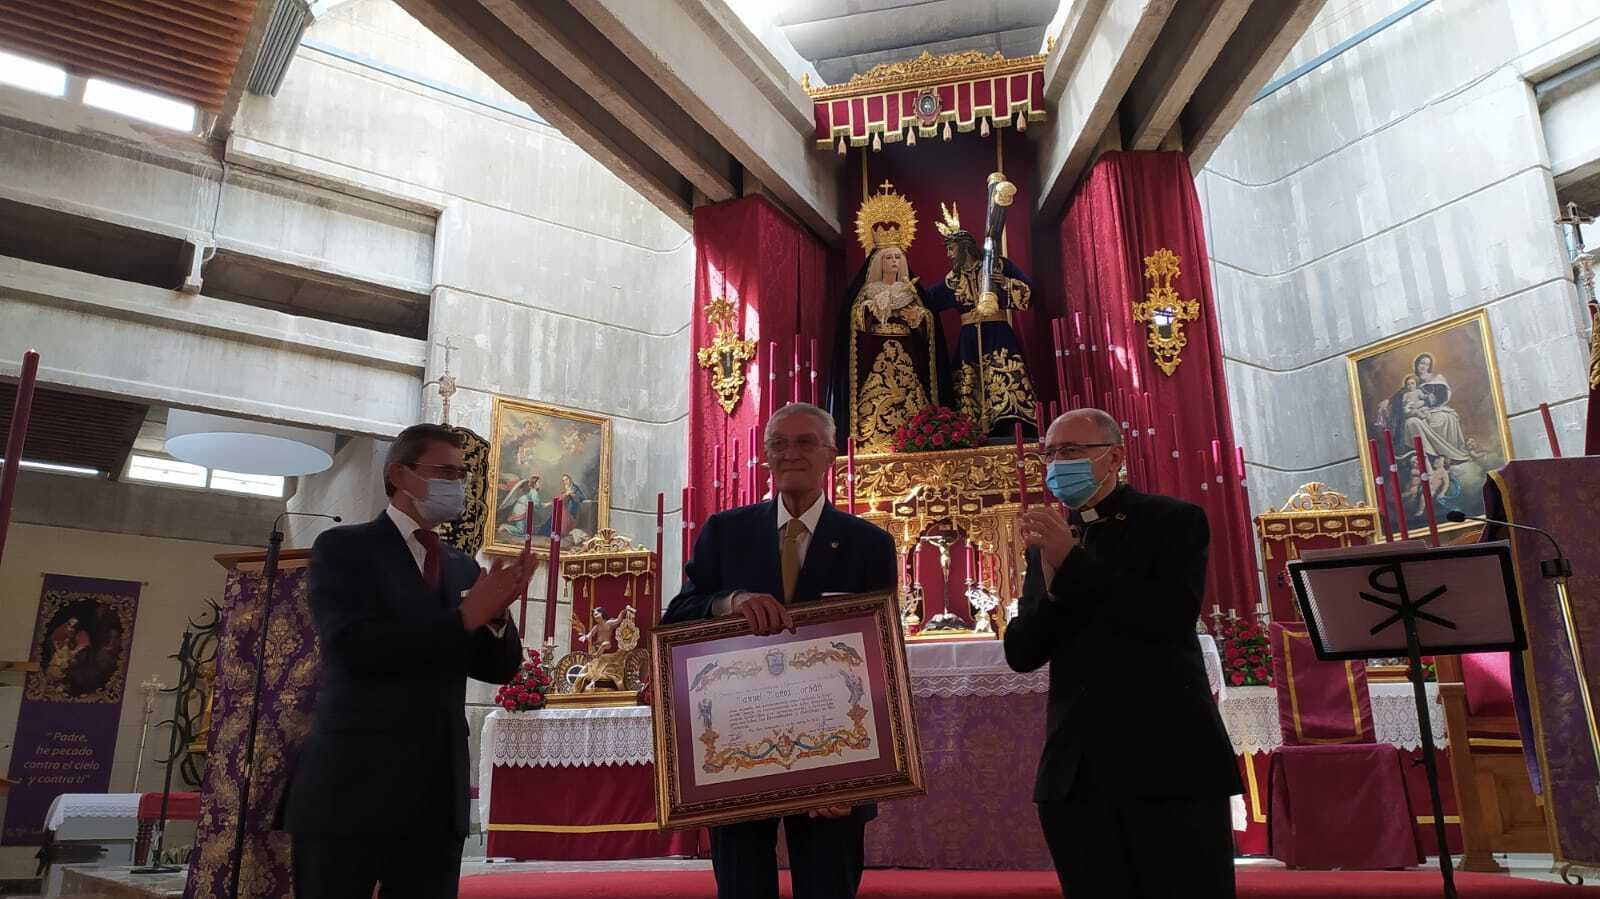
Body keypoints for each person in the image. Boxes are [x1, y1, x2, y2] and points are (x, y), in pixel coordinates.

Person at [281, 423, 535, 899]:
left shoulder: (461, 566)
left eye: (462, 475)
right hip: (352, 785)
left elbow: (496, 669)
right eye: (444, 472)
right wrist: (464, 617)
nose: (456, 485)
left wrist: (497, 616)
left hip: (436, 794)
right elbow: (354, 647)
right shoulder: (344, 548)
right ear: (399, 473)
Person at [662, 402, 897, 899]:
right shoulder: (726, 531)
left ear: (831, 454)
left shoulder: (869, 544)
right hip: (737, 755)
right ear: (766, 456)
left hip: (833, 767)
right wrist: (731, 600)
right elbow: (679, 615)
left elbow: (881, 660)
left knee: (828, 887)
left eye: (806, 441)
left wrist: (856, 778)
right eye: (779, 443)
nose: (792, 453)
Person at [1005, 408, 1240, 898]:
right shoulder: (1046, 543)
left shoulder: (1173, 520)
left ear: (1114, 457)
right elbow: (1024, 653)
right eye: (1049, 453)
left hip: (1169, 766)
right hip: (1077, 775)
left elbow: (1167, 616)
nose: (1056, 463)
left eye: (1070, 451)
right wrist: (1048, 590)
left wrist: (1072, 563)